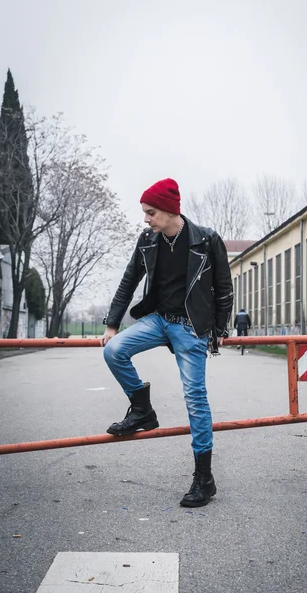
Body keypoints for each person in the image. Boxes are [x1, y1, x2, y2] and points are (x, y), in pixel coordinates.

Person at [101, 178, 233, 508]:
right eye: (145, 213)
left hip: (192, 327)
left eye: (150, 212)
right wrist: (112, 323)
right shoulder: (149, 239)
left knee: (194, 396)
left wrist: (220, 329)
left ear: (170, 210)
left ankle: (204, 478)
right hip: (159, 320)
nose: (146, 219)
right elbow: (129, 279)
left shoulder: (207, 239)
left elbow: (223, 287)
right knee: (114, 350)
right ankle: (142, 409)